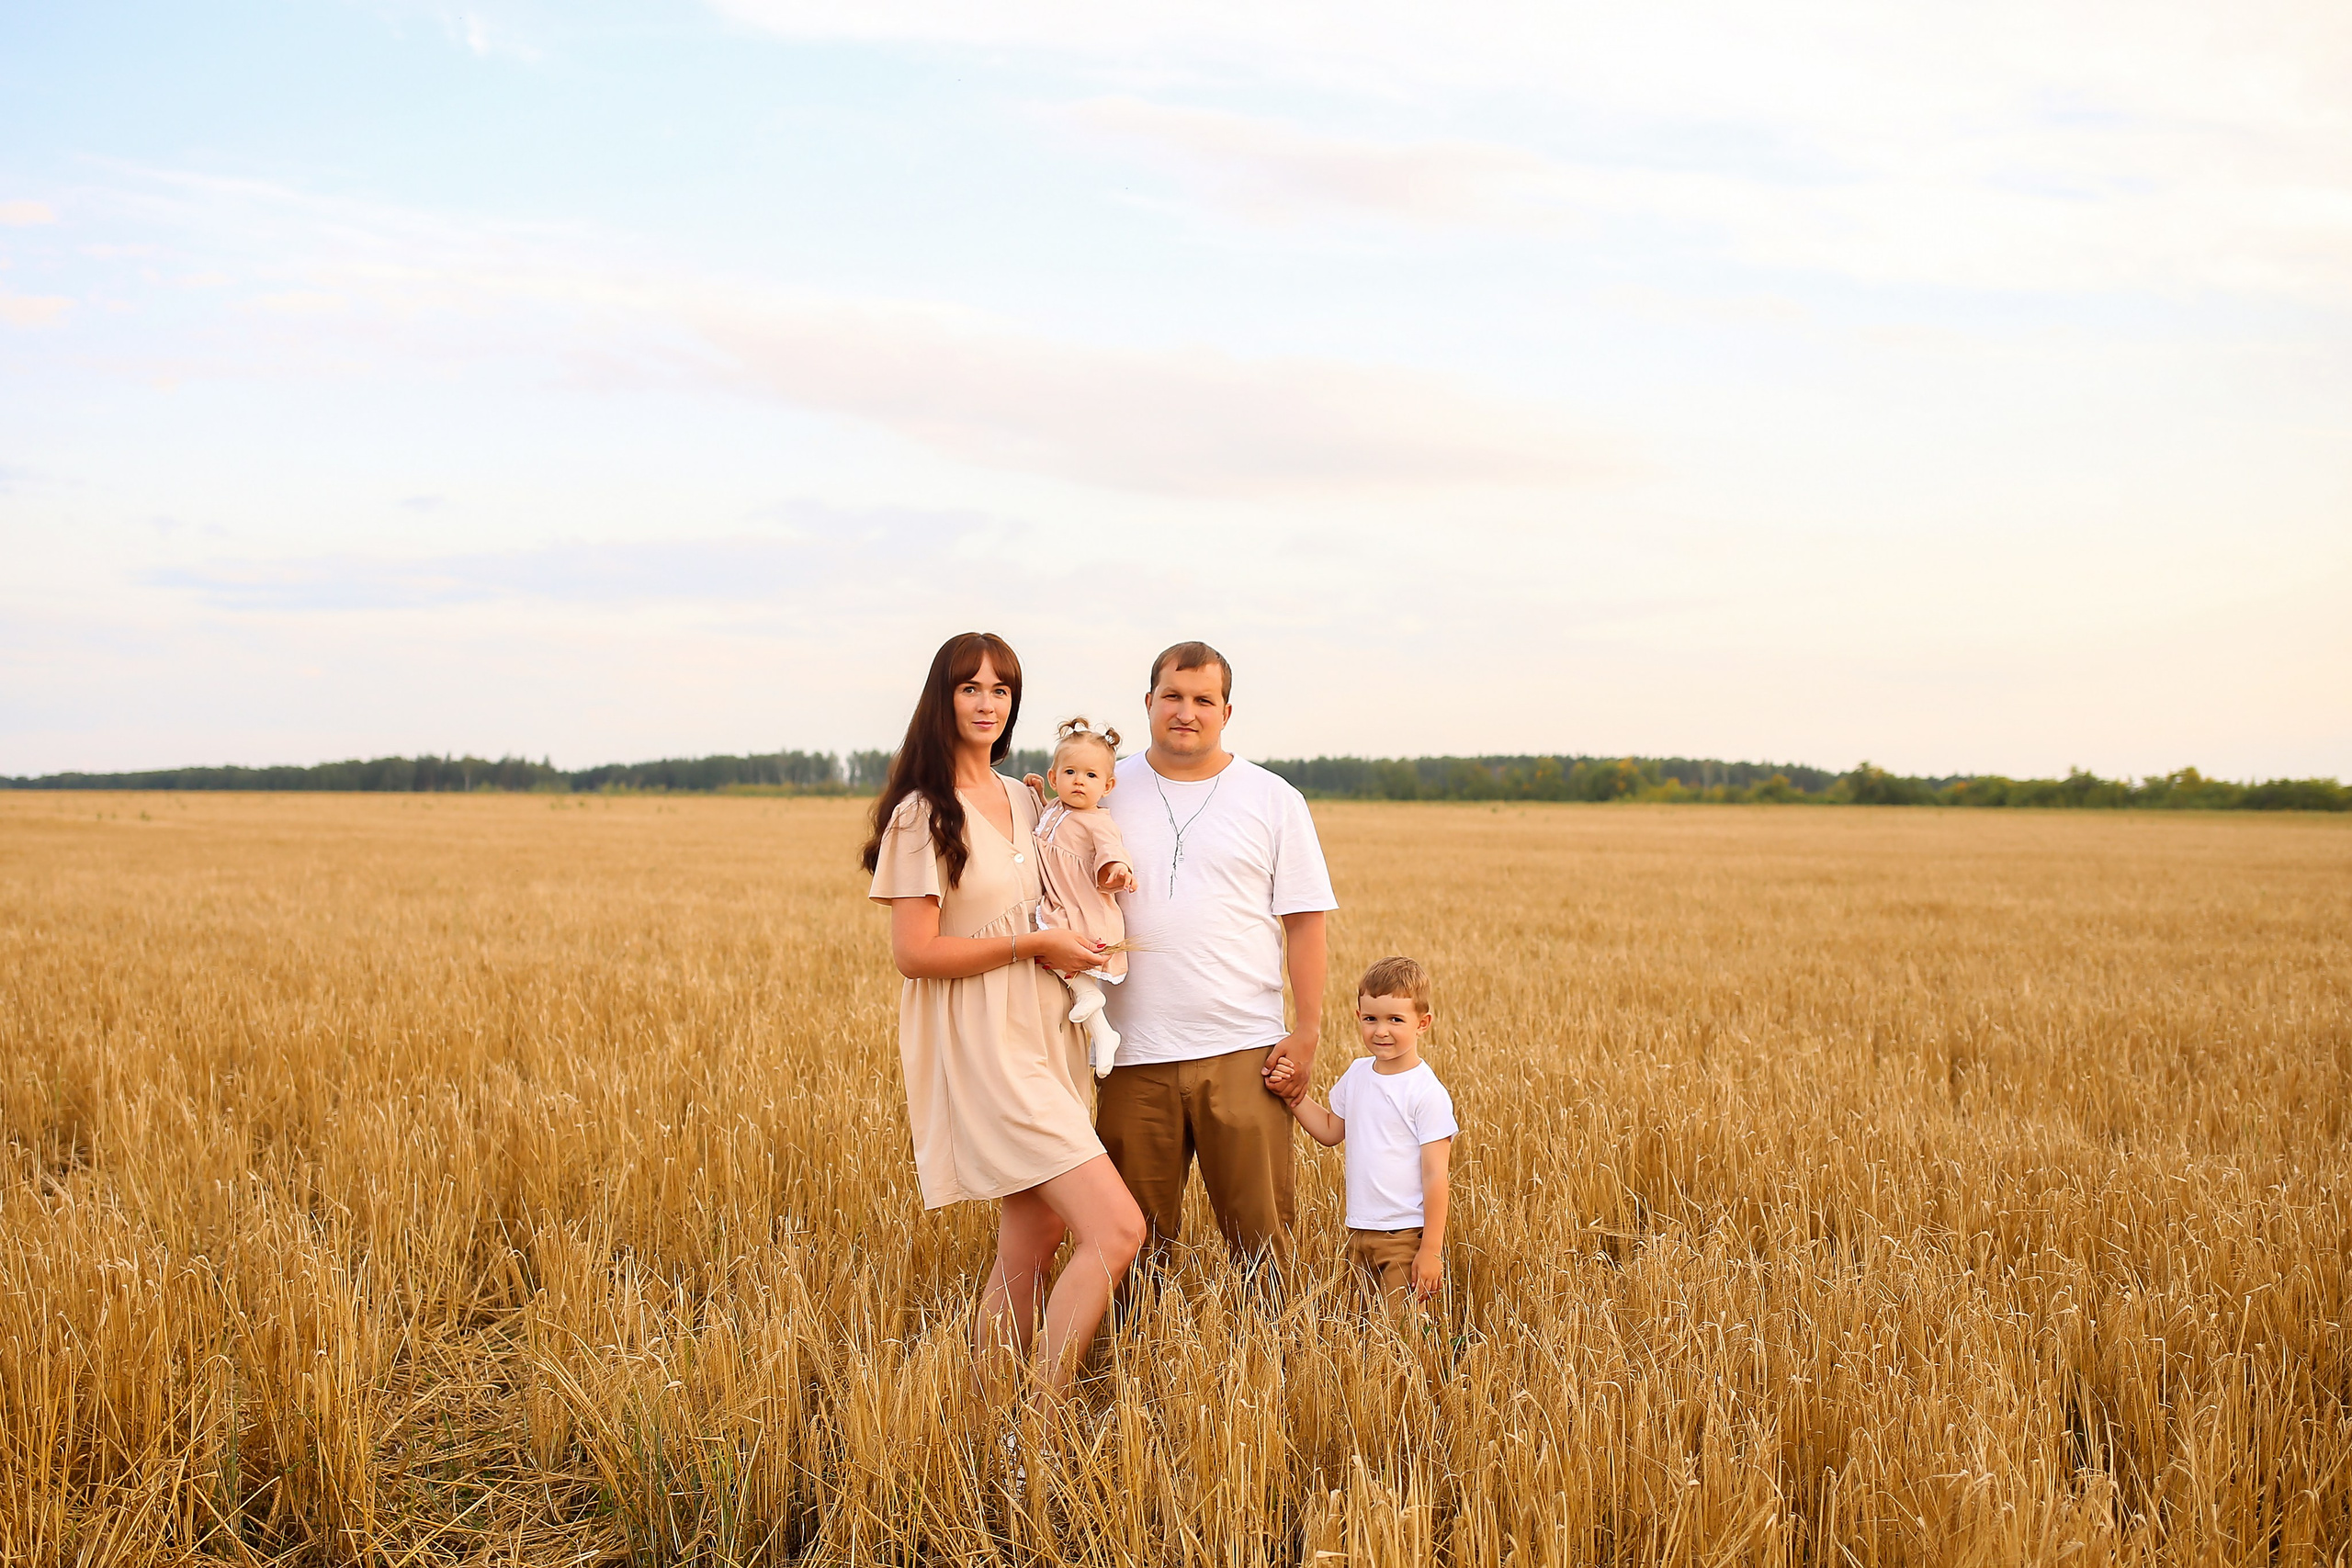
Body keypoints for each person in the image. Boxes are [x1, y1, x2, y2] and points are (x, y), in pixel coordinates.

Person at [861, 631, 1147, 1397]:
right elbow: (915, 953)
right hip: (988, 1043)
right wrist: (1034, 942)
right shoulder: (924, 814)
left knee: (1035, 1237)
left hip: (1047, 1031)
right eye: (970, 688)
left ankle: (989, 1422)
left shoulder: (1027, 797)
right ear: (942, 699)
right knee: (1119, 1230)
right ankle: (1043, 1425)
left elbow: (1088, 829)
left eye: (1001, 690)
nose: (988, 704)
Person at [1091, 639, 1336, 1272]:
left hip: (1244, 1050)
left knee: (1263, 1245)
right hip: (1130, 1055)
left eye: (1204, 699)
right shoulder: (1103, 788)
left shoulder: (1273, 797)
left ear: (1227, 711)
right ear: (1148, 702)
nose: (1186, 710)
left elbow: (1305, 923)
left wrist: (1306, 1031)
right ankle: (1126, 1368)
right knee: (1131, 1249)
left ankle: (1274, 1368)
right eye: (1172, 695)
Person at [1272, 956, 1458, 1303]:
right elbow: (1330, 1131)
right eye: (1371, 1019)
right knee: (1358, 1334)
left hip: (1405, 1236)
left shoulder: (1426, 1092)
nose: (1380, 1031)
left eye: (1395, 1020)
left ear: (1423, 1023)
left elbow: (1436, 1175)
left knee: (1401, 1335)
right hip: (1358, 1232)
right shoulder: (1357, 1075)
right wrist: (1293, 1097)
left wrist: (1431, 1250)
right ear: (1358, 1017)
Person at [1031, 718, 1138, 1078]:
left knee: (1054, 941)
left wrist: (1119, 870)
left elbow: (1113, 850)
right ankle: (1103, 1032)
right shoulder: (1055, 809)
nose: (1080, 781)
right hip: (1060, 899)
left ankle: (1087, 994)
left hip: (1079, 904)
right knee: (1047, 944)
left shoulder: (1098, 822)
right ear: (1053, 777)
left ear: (1107, 785)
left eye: (1091, 776)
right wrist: (1037, 796)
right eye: (1071, 772)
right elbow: (1048, 830)